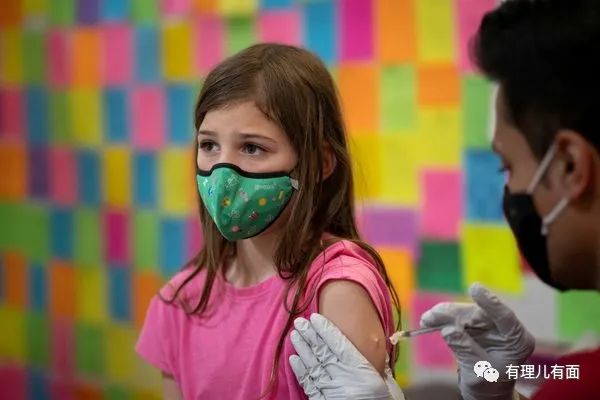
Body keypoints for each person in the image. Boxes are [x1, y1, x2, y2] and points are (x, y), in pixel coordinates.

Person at [288, 0, 600, 399]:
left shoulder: (582, 384)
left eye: (507, 166)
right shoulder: (577, 377)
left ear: (571, 166)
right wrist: (495, 388)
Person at [135, 43, 402, 399]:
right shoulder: (182, 300)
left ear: (319, 164)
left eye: (252, 148)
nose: (222, 173)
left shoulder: (335, 290)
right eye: (209, 145)